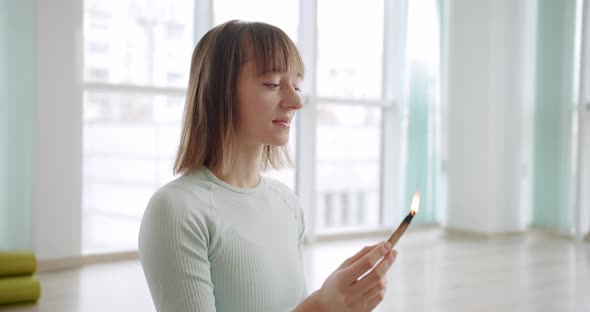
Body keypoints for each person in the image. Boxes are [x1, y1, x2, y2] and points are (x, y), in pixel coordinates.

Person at [138, 20, 398, 312]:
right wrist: (321, 306)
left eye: (297, 85)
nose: (296, 100)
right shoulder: (177, 210)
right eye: (272, 84)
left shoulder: (286, 203)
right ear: (219, 92)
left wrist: (337, 300)